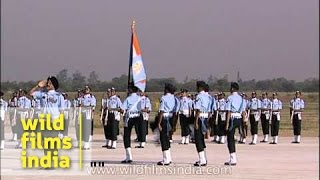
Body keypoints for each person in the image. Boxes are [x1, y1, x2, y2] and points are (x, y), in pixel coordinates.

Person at [28, 76, 65, 165]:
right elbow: (30, 93)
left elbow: (62, 111)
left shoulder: (59, 96)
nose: (48, 84)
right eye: (47, 82)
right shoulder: (42, 94)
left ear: (54, 85)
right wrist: (38, 86)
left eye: (50, 83)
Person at [224, 82, 246, 166]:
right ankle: (233, 158)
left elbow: (228, 111)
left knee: (230, 139)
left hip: (232, 118)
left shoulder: (230, 98)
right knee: (238, 135)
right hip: (239, 118)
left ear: (232, 88)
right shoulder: (241, 98)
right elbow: (243, 111)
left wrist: (226, 124)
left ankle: (233, 158)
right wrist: (244, 121)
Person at [157, 83, 178, 165]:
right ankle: (168, 158)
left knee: (163, 139)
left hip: (165, 119)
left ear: (166, 90)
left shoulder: (164, 98)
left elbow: (161, 111)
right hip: (171, 118)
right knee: (168, 138)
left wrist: (159, 123)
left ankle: (166, 159)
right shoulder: (175, 98)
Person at [120, 85, 143, 163]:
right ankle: (141, 142)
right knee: (139, 132)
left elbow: (122, 109)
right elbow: (141, 108)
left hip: (129, 118)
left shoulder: (128, 98)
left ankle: (129, 156)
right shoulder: (139, 98)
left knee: (126, 136)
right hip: (138, 117)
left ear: (130, 90)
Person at [193, 81, 211, 166]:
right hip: (206, 117)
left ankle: (202, 159)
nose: (196, 88)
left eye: (197, 87)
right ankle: (203, 158)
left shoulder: (199, 96)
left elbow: (198, 110)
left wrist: (196, 121)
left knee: (198, 139)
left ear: (200, 88)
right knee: (201, 138)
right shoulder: (208, 96)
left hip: (200, 118)